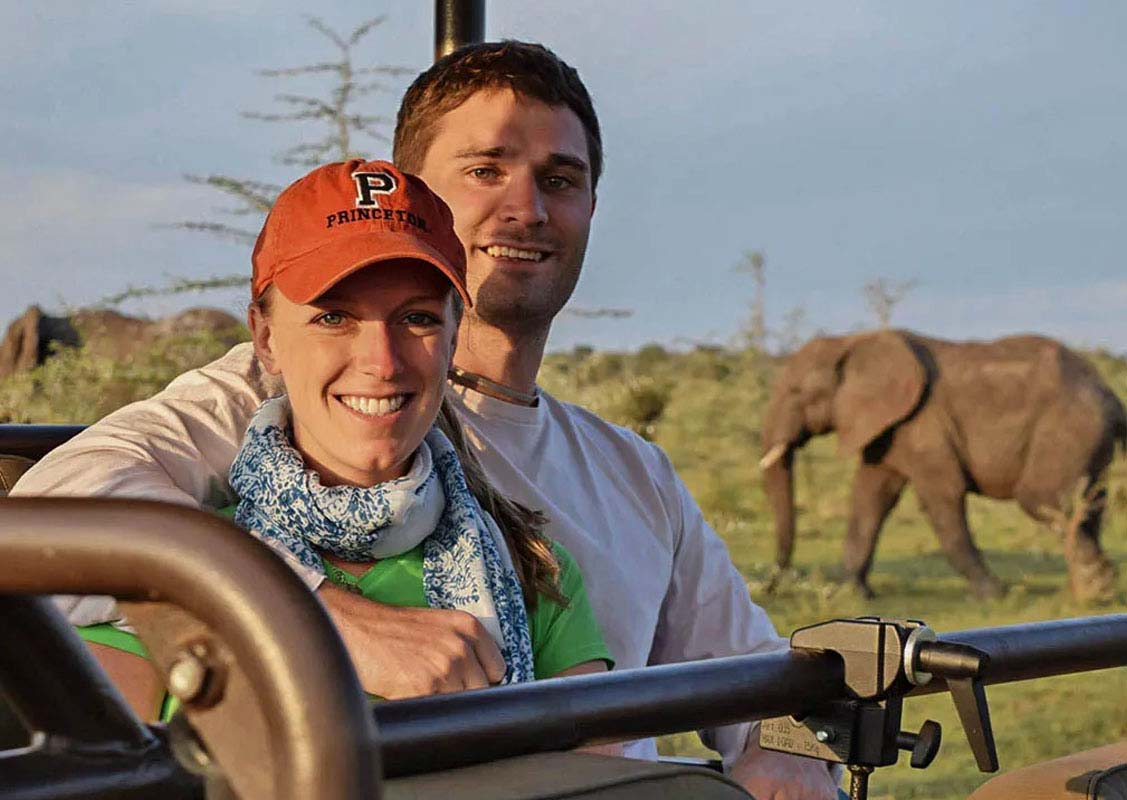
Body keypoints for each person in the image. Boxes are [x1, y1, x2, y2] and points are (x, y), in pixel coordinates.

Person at [14, 41, 840, 798]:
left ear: (592, 203)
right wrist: (313, 622)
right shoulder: (282, 401)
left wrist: (787, 748)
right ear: (414, 193)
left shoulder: (628, 473)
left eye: (559, 180)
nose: (526, 208)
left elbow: (754, 673)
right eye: (485, 170)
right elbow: (57, 516)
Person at [76, 158, 613, 723]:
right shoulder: (164, 580)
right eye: (334, 318)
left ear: (455, 337)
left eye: (418, 319)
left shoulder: (532, 570)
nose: (383, 362)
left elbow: (591, 767)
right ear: (265, 338)